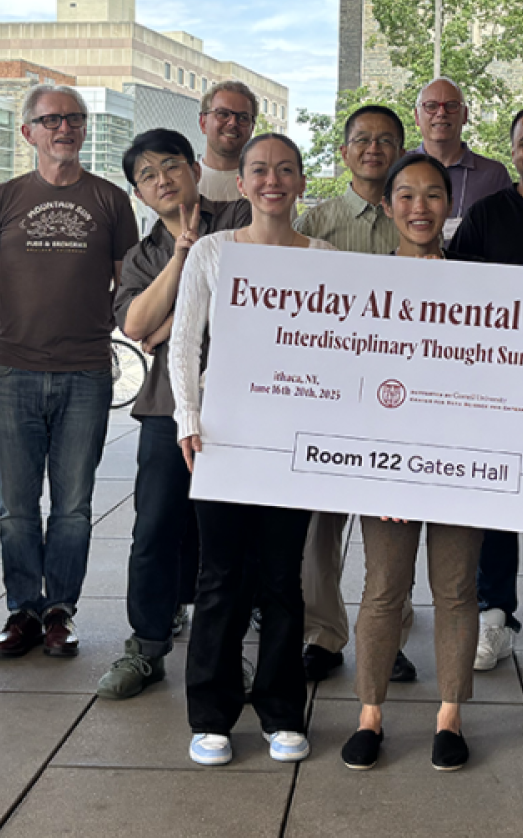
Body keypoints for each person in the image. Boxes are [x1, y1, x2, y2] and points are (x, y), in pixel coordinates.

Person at [171, 134, 331, 766]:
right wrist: (188, 416)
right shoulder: (212, 251)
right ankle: (211, 713)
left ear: (298, 182)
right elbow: (184, 342)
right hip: (225, 432)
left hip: (291, 437)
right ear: (241, 184)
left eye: (285, 170)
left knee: (282, 580)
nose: (273, 180)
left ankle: (282, 712)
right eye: (260, 170)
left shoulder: (323, 255)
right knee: (219, 578)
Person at [0, 84, 139, 660]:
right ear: (28, 133)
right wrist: (17, 329)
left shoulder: (112, 202)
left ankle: (59, 613)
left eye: (73, 118)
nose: (63, 128)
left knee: (73, 505)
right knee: (16, 506)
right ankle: (22, 609)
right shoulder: (2, 199)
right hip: (12, 372)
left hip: (86, 372)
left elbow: (125, 281)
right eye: (50, 120)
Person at [340, 153, 485, 773]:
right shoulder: (365, 283)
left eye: (432, 195)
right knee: (381, 592)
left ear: (449, 205)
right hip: (386, 470)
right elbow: (354, 381)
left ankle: (449, 715)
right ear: (389, 204)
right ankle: (369, 715)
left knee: (455, 592)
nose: (419, 207)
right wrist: (375, 474)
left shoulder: (483, 284)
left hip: (458, 467)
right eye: (406, 196)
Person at [98, 129, 251, 700]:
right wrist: (183, 255)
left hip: (241, 403)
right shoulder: (142, 255)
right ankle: (148, 643)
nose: (162, 180)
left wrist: (167, 327)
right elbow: (135, 325)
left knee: (231, 536)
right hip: (167, 405)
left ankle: (230, 650)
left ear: (193, 169)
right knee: (156, 527)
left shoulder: (239, 215)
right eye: (147, 175)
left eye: (170, 166)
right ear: (139, 193)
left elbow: (244, 296)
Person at [292, 104, 414, 683]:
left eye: (386, 140)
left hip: (401, 398)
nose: (373, 149)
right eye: (362, 140)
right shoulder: (315, 224)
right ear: (343, 152)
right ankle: (323, 632)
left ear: (400, 150)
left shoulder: (417, 219)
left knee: (393, 527)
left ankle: (389, 636)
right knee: (320, 527)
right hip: (330, 398)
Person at [452, 105, 523, 678]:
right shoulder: (485, 214)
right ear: (513, 150)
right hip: (495, 386)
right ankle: (493, 612)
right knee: (494, 498)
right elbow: (456, 294)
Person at [410, 78, 511, 223]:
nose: (441, 113)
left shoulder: (493, 175)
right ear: (417, 117)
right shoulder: (399, 169)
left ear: (464, 115)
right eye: (431, 106)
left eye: (451, 105)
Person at [196, 82, 258, 202]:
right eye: (223, 114)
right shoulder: (180, 185)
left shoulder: (268, 187)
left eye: (243, 118)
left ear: (252, 128)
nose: (233, 123)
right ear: (203, 123)